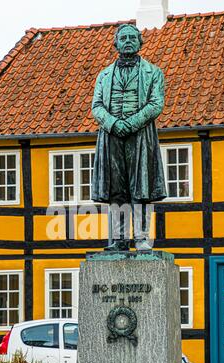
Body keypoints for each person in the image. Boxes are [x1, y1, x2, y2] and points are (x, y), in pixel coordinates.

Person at [91, 23, 167, 251]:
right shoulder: (104, 75)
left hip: (140, 135)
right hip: (111, 135)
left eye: (132, 37)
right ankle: (119, 239)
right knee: (116, 189)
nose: (127, 41)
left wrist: (131, 123)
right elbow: (96, 106)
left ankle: (142, 238)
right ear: (115, 43)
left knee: (140, 188)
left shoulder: (153, 72)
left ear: (140, 42)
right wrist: (114, 123)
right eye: (122, 38)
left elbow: (156, 104)